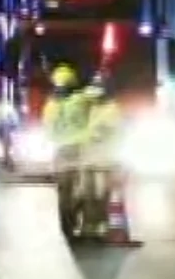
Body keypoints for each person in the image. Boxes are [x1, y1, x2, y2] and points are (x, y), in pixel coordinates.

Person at [41, 63, 93, 238]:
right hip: (80, 151)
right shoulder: (83, 99)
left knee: (64, 193)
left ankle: (67, 227)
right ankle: (76, 219)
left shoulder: (51, 105)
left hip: (61, 152)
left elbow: (47, 127)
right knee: (83, 190)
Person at [76, 73, 124, 237]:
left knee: (101, 194)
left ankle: (101, 224)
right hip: (88, 159)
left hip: (104, 161)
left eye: (98, 88)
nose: (94, 93)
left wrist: (97, 133)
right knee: (87, 195)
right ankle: (88, 225)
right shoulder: (92, 106)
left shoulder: (111, 109)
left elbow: (111, 130)